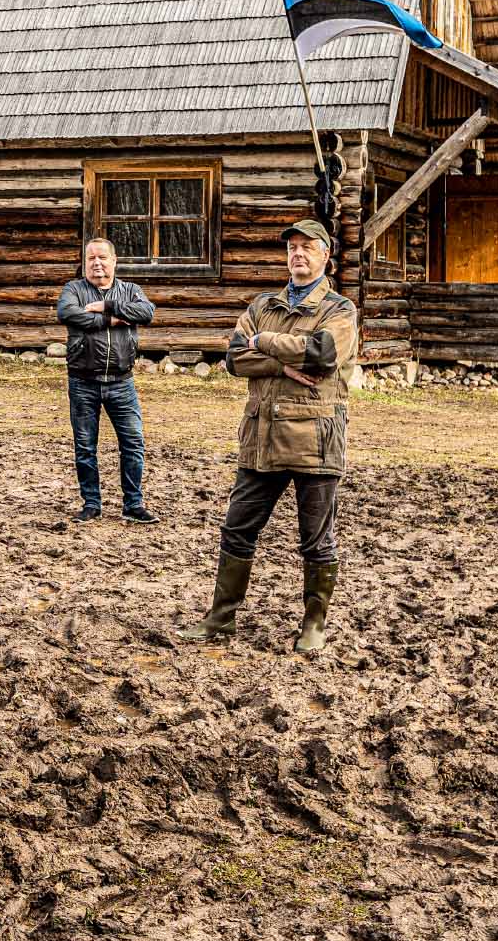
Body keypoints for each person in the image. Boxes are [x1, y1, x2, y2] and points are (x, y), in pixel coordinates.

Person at [178, 219, 358, 654]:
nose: (298, 254)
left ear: (325, 257)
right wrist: (280, 364)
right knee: (237, 529)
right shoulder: (264, 301)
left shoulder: (340, 309)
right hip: (260, 438)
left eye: (307, 248)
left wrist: (264, 339)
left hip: (315, 439)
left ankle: (314, 623)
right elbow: (235, 358)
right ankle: (221, 618)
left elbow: (323, 354)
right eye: (292, 248)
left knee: (316, 538)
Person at [55, 238, 158, 523]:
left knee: (133, 442)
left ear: (114, 261)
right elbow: (67, 313)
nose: (97, 263)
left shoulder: (130, 290)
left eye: (102, 257)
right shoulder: (73, 289)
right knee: (86, 445)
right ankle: (91, 504)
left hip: (122, 382)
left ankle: (133, 504)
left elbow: (147, 312)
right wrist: (110, 320)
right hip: (83, 381)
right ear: (84, 262)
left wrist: (105, 305)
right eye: (91, 258)